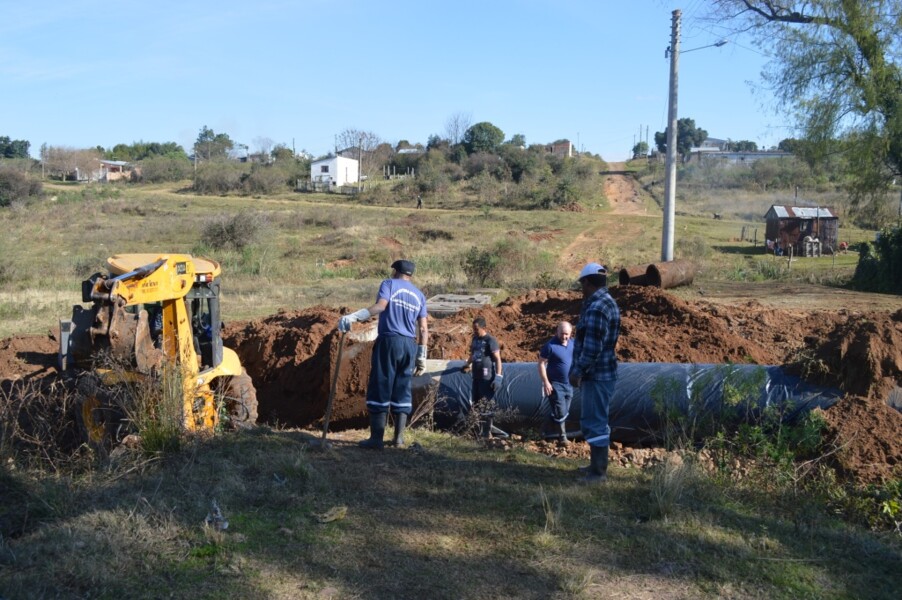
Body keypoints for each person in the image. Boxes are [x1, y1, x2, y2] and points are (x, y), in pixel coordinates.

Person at [338, 259, 428, 449]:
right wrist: (421, 354)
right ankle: (398, 438)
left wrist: (354, 316)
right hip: (409, 345)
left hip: (389, 341)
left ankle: (376, 439)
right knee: (402, 387)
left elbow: (380, 306)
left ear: (395, 271)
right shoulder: (419, 295)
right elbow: (424, 328)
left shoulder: (389, 284)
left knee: (381, 384)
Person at [570, 262, 621, 484]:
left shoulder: (597, 307)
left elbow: (592, 347)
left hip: (597, 375)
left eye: (582, 284)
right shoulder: (604, 302)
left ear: (588, 282)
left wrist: (578, 371)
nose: (581, 288)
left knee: (595, 421)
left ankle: (598, 473)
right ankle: (594, 466)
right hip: (602, 373)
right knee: (594, 419)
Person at [459, 316, 503, 426]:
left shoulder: (490, 341)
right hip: (476, 376)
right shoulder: (475, 339)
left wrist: (498, 377)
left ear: (484, 328)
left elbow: (498, 359)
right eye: (473, 329)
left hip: (486, 377)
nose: (475, 331)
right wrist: (466, 364)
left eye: (476, 329)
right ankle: (476, 430)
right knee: (475, 403)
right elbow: (472, 355)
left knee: (486, 404)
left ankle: (487, 431)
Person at [538, 321, 574, 446]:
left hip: (569, 384)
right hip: (555, 384)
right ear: (557, 332)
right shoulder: (550, 346)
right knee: (561, 411)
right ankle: (562, 438)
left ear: (570, 334)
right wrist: (546, 382)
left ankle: (543, 430)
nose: (564, 336)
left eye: (567, 334)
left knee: (562, 411)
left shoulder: (572, 344)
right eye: (562, 333)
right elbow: (541, 363)